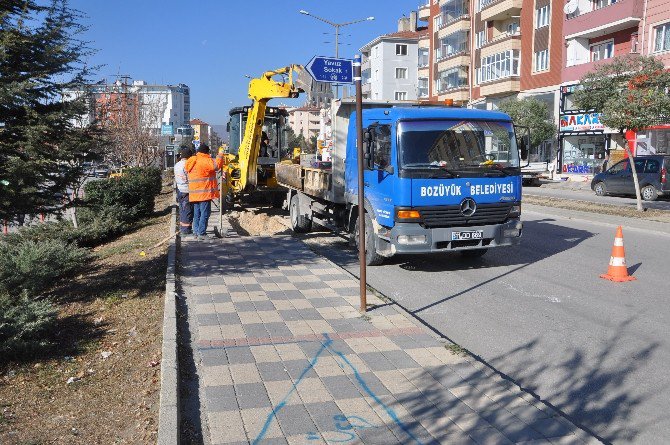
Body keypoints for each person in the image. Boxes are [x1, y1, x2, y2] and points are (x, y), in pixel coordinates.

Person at [185, 143, 226, 240]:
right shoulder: (205, 160)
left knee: (197, 213)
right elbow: (217, 166)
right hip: (204, 193)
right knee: (205, 213)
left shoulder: (191, 160)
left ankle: (196, 232)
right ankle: (202, 233)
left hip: (194, 193)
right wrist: (220, 154)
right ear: (207, 152)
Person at [174, 146, 194, 236]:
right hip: (187, 189)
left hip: (180, 189)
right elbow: (190, 177)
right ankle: (186, 230)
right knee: (187, 210)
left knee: (182, 209)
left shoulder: (177, 164)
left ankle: (183, 228)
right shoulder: (187, 164)